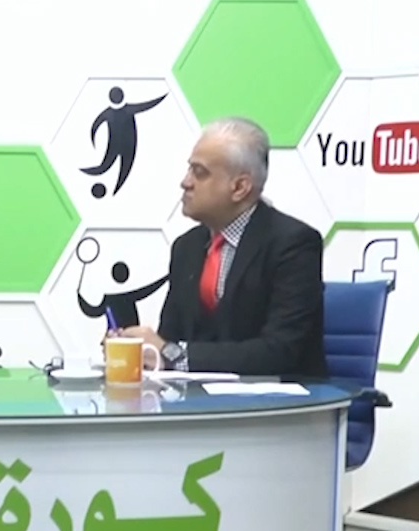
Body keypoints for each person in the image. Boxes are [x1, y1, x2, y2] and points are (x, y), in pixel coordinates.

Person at [113, 117, 327, 378]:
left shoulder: (293, 244)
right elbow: (171, 338)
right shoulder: (186, 247)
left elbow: (279, 351)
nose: (185, 182)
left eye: (199, 173)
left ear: (239, 187)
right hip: (196, 399)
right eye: (189, 169)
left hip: (278, 398)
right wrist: (141, 350)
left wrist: (172, 354)